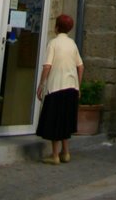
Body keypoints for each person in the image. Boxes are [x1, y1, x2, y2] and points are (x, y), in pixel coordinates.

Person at [36, 13, 84, 164]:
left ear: (56, 27)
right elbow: (81, 66)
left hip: (56, 86)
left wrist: (41, 84)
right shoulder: (72, 44)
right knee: (66, 119)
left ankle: (55, 155)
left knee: (54, 120)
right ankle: (66, 152)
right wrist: (78, 85)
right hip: (71, 87)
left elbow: (47, 66)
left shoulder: (53, 43)